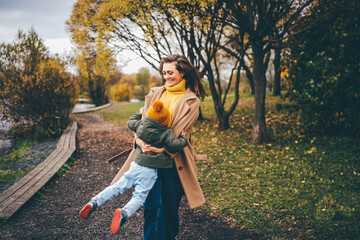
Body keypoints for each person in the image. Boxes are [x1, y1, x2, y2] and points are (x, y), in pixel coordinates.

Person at [110, 54, 207, 240]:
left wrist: (158, 148)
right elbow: (142, 125)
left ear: (182, 72)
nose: (166, 77)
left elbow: (178, 134)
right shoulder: (155, 94)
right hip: (147, 161)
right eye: (164, 73)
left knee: (168, 211)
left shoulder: (191, 102)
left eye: (170, 72)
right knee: (151, 207)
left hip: (172, 162)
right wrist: (138, 140)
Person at [79, 100, 189, 235]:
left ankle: (95, 201)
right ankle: (124, 212)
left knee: (117, 187)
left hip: (136, 165)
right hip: (149, 172)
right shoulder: (167, 133)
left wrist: (139, 114)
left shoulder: (141, 125)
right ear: (165, 121)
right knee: (139, 196)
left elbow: (130, 122)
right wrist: (184, 138)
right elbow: (175, 145)